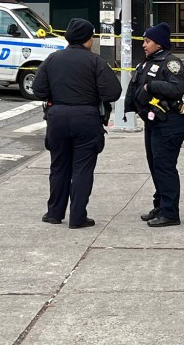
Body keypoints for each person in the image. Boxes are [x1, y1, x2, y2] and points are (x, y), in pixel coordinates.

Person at [32, 18, 121, 229]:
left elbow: (38, 90)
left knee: (59, 166)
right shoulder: (95, 61)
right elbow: (113, 92)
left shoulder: (52, 59)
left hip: (57, 117)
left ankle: (54, 213)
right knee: (82, 168)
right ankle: (78, 217)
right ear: (87, 39)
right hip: (86, 117)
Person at [124, 22, 184, 228]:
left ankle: (170, 213)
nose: (144, 45)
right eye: (144, 41)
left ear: (159, 43)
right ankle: (161, 205)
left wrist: (151, 86)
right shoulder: (147, 62)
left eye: (148, 41)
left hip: (171, 122)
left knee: (164, 166)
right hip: (154, 122)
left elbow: (177, 88)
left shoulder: (171, 62)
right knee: (155, 165)